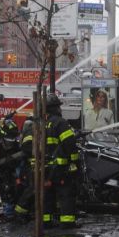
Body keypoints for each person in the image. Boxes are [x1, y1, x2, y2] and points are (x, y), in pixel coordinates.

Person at [43, 93, 79, 229]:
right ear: (55, 108)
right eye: (58, 106)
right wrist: (74, 162)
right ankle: (67, 222)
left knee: (48, 196)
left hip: (45, 168)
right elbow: (69, 144)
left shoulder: (43, 124)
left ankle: (46, 221)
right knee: (66, 194)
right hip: (60, 167)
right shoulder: (61, 123)